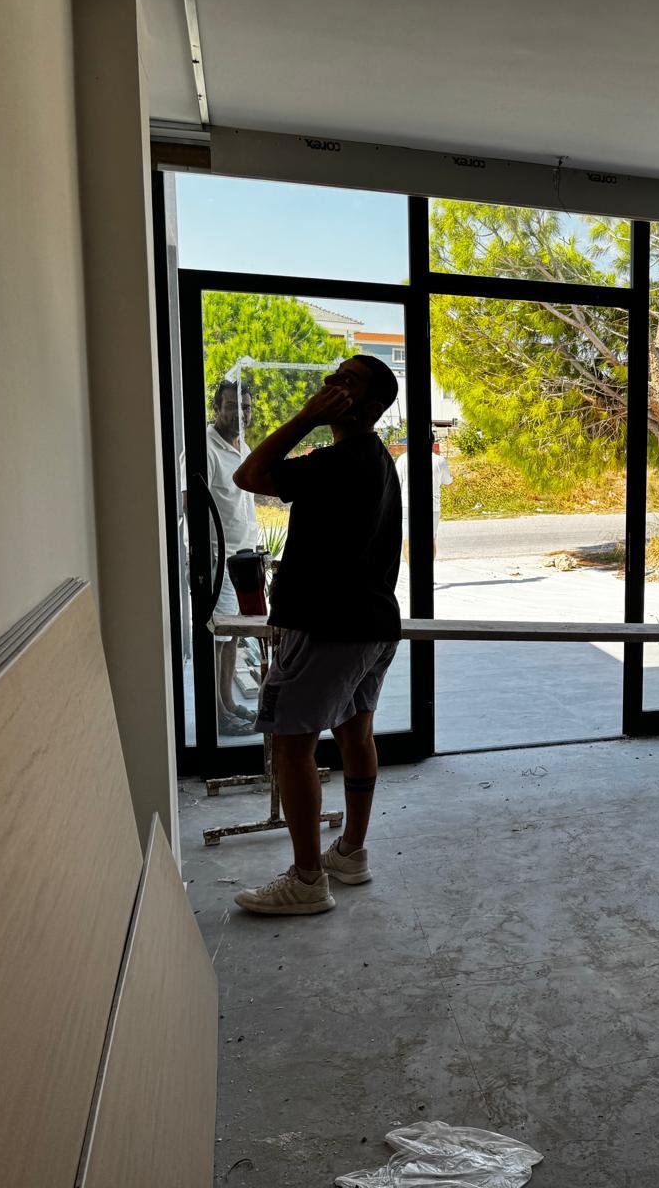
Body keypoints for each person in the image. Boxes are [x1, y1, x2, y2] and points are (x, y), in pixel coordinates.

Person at [229, 354, 404, 915]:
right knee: (355, 733)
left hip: (327, 627)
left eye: (347, 381)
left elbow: (249, 476)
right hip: (372, 626)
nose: (332, 385)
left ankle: (307, 881)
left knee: (291, 745)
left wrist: (306, 416)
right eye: (333, 376)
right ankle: (350, 853)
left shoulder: (341, 460)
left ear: (372, 406)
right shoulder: (377, 459)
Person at [204, 380, 260, 735]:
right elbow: (190, 502)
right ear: (216, 408)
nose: (240, 413)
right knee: (218, 638)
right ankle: (218, 714)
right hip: (218, 559)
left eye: (246, 406)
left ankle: (226, 702)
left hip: (242, 558)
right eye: (231, 406)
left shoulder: (243, 447)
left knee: (233, 635)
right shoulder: (205, 448)